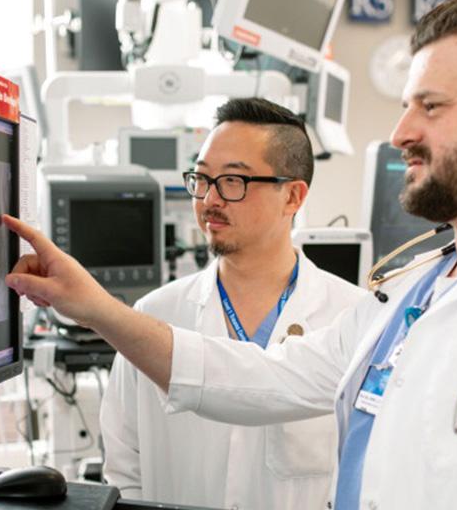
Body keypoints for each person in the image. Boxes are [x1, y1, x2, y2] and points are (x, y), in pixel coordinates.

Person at [3, 0, 457, 507]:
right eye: (407, 104)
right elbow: (246, 379)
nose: (402, 130)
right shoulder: (415, 293)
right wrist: (89, 306)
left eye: (431, 107)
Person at [99, 98, 365, 509]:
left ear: (293, 197)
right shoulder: (154, 316)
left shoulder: (353, 319)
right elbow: (123, 467)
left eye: (233, 182)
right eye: (202, 179)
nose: (209, 200)